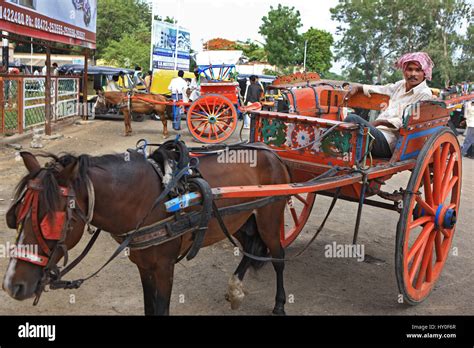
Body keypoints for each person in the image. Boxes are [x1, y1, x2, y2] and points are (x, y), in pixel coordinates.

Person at [345, 52, 434, 158]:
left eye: (418, 70)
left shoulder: (424, 94)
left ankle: (352, 162)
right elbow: (382, 89)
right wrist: (359, 87)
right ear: (404, 71)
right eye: (409, 69)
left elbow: (409, 121)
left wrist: (380, 122)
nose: (413, 74)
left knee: (353, 119)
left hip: (390, 141)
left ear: (424, 73)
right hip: (377, 133)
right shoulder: (401, 85)